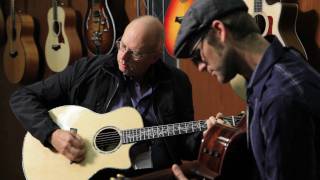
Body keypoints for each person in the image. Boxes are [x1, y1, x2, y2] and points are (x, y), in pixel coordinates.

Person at [10, 15, 204, 178]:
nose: (123, 57)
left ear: (154, 57)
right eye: (122, 46)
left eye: (134, 53)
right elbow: (22, 97)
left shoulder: (177, 82)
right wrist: (52, 134)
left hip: (153, 175)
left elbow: (184, 145)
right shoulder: (89, 70)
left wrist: (206, 137)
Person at [172, 0, 320, 180]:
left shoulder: (280, 98)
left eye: (198, 55)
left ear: (219, 31)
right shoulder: (282, 65)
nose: (201, 67)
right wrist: (233, 143)